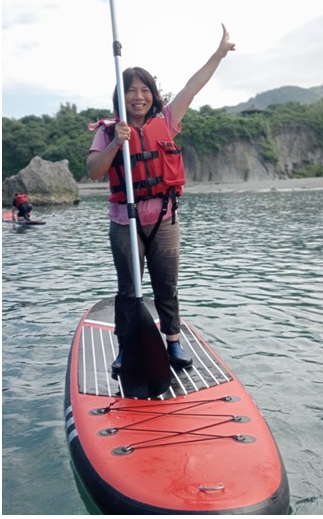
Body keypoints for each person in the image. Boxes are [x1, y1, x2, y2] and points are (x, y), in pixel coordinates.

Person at [86, 23, 236, 377]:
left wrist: (218, 54)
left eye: (144, 90)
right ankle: (126, 347)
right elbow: (94, 170)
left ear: (153, 95)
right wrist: (116, 142)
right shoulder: (108, 131)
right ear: (121, 97)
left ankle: (173, 341)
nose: (138, 97)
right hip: (125, 222)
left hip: (164, 220)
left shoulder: (167, 120)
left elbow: (192, 87)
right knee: (129, 290)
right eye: (130, 91)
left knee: (166, 287)